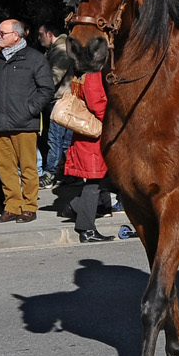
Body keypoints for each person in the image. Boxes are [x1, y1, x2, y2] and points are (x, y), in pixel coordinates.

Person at [0, 19, 54, 224]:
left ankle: (29, 207)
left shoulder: (34, 58)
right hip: (0, 122)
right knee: (5, 168)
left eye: (2, 33)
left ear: (16, 36)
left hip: (24, 123)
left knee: (28, 167)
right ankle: (12, 206)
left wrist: (29, 110)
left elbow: (46, 90)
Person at [64, 71, 112, 243]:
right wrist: (114, 120)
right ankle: (86, 229)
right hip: (95, 135)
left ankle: (75, 207)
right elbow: (97, 104)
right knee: (95, 182)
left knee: (103, 180)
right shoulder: (93, 74)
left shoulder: (81, 73)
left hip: (88, 134)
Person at [37, 21, 75, 185]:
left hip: (59, 101)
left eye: (40, 34)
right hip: (59, 100)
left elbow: (54, 76)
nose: (39, 38)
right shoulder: (55, 50)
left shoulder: (61, 50)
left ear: (49, 34)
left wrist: (38, 89)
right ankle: (70, 173)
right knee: (63, 140)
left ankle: (50, 173)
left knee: (55, 139)